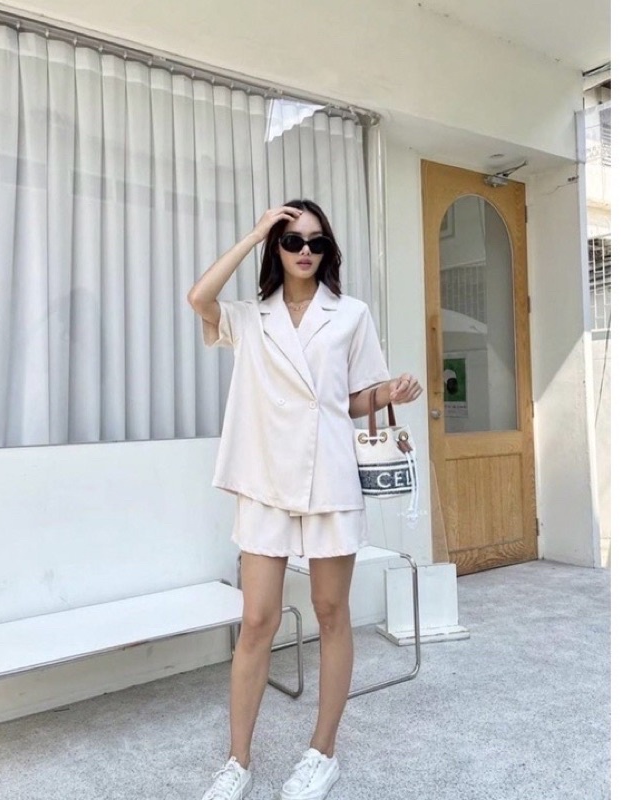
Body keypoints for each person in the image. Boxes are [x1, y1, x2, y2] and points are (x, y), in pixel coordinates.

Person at [187, 199, 423, 800]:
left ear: (328, 251)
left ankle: (322, 752)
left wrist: (390, 393)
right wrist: (254, 233)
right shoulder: (251, 316)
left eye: (316, 242)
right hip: (265, 474)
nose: (305, 251)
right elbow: (198, 297)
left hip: (329, 475)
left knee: (330, 611)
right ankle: (237, 761)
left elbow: (353, 398)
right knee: (258, 620)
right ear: (277, 247)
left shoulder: (350, 314)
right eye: (292, 240)